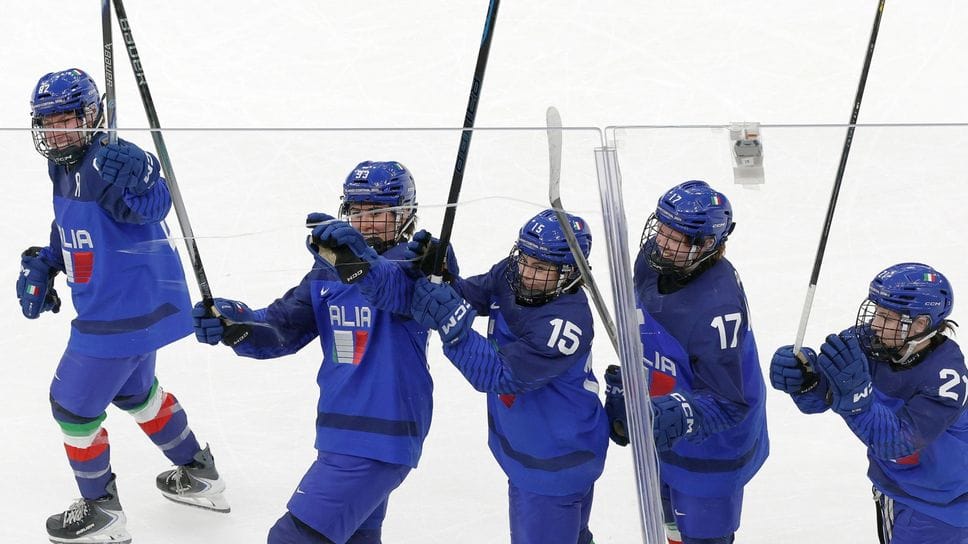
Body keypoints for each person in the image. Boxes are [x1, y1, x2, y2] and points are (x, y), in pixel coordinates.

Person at [192, 161, 453, 544]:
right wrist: (235, 322)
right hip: (339, 434)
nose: (365, 223)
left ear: (406, 214)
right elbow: (282, 328)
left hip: (380, 436)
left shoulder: (418, 266)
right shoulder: (327, 273)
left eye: (378, 213)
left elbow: (400, 286)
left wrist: (356, 262)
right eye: (357, 212)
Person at [18, 68, 227, 544]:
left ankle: (102, 512)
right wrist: (47, 261)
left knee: (71, 407)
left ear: (93, 117)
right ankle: (199, 473)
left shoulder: (106, 163)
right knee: (136, 393)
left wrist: (148, 174)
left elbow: (152, 205)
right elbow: (71, 225)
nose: (56, 132)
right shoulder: (63, 165)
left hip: (120, 313)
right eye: (48, 123)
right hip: (134, 311)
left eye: (67, 121)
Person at [409, 209, 609, 544]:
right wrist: (442, 275)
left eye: (542, 267)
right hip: (543, 450)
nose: (527, 272)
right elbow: (470, 295)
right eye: (525, 260)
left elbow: (497, 374)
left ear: (571, 272)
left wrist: (452, 325)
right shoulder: (512, 273)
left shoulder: (564, 326)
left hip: (553, 462)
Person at [604, 180, 769, 544]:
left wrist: (673, 413)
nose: (662, 240)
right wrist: (637, 380)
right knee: (670, 524)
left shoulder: (717, 309)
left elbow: (728, 404)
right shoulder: (655, 260)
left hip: (714, 448)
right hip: (666, 424)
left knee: (702, 536)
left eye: (676, 236)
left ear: (706, 245)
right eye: (662, 227)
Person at [770, 263, 968, 543]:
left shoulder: (946, 379)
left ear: (920, 324)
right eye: (877, 312)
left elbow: (899, 443)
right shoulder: (872, 342)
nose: (875, 324)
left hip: (941, 508)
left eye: (887, 317)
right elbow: (824, 398)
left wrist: (856, 402)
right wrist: (807, 381)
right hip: (899, 490)